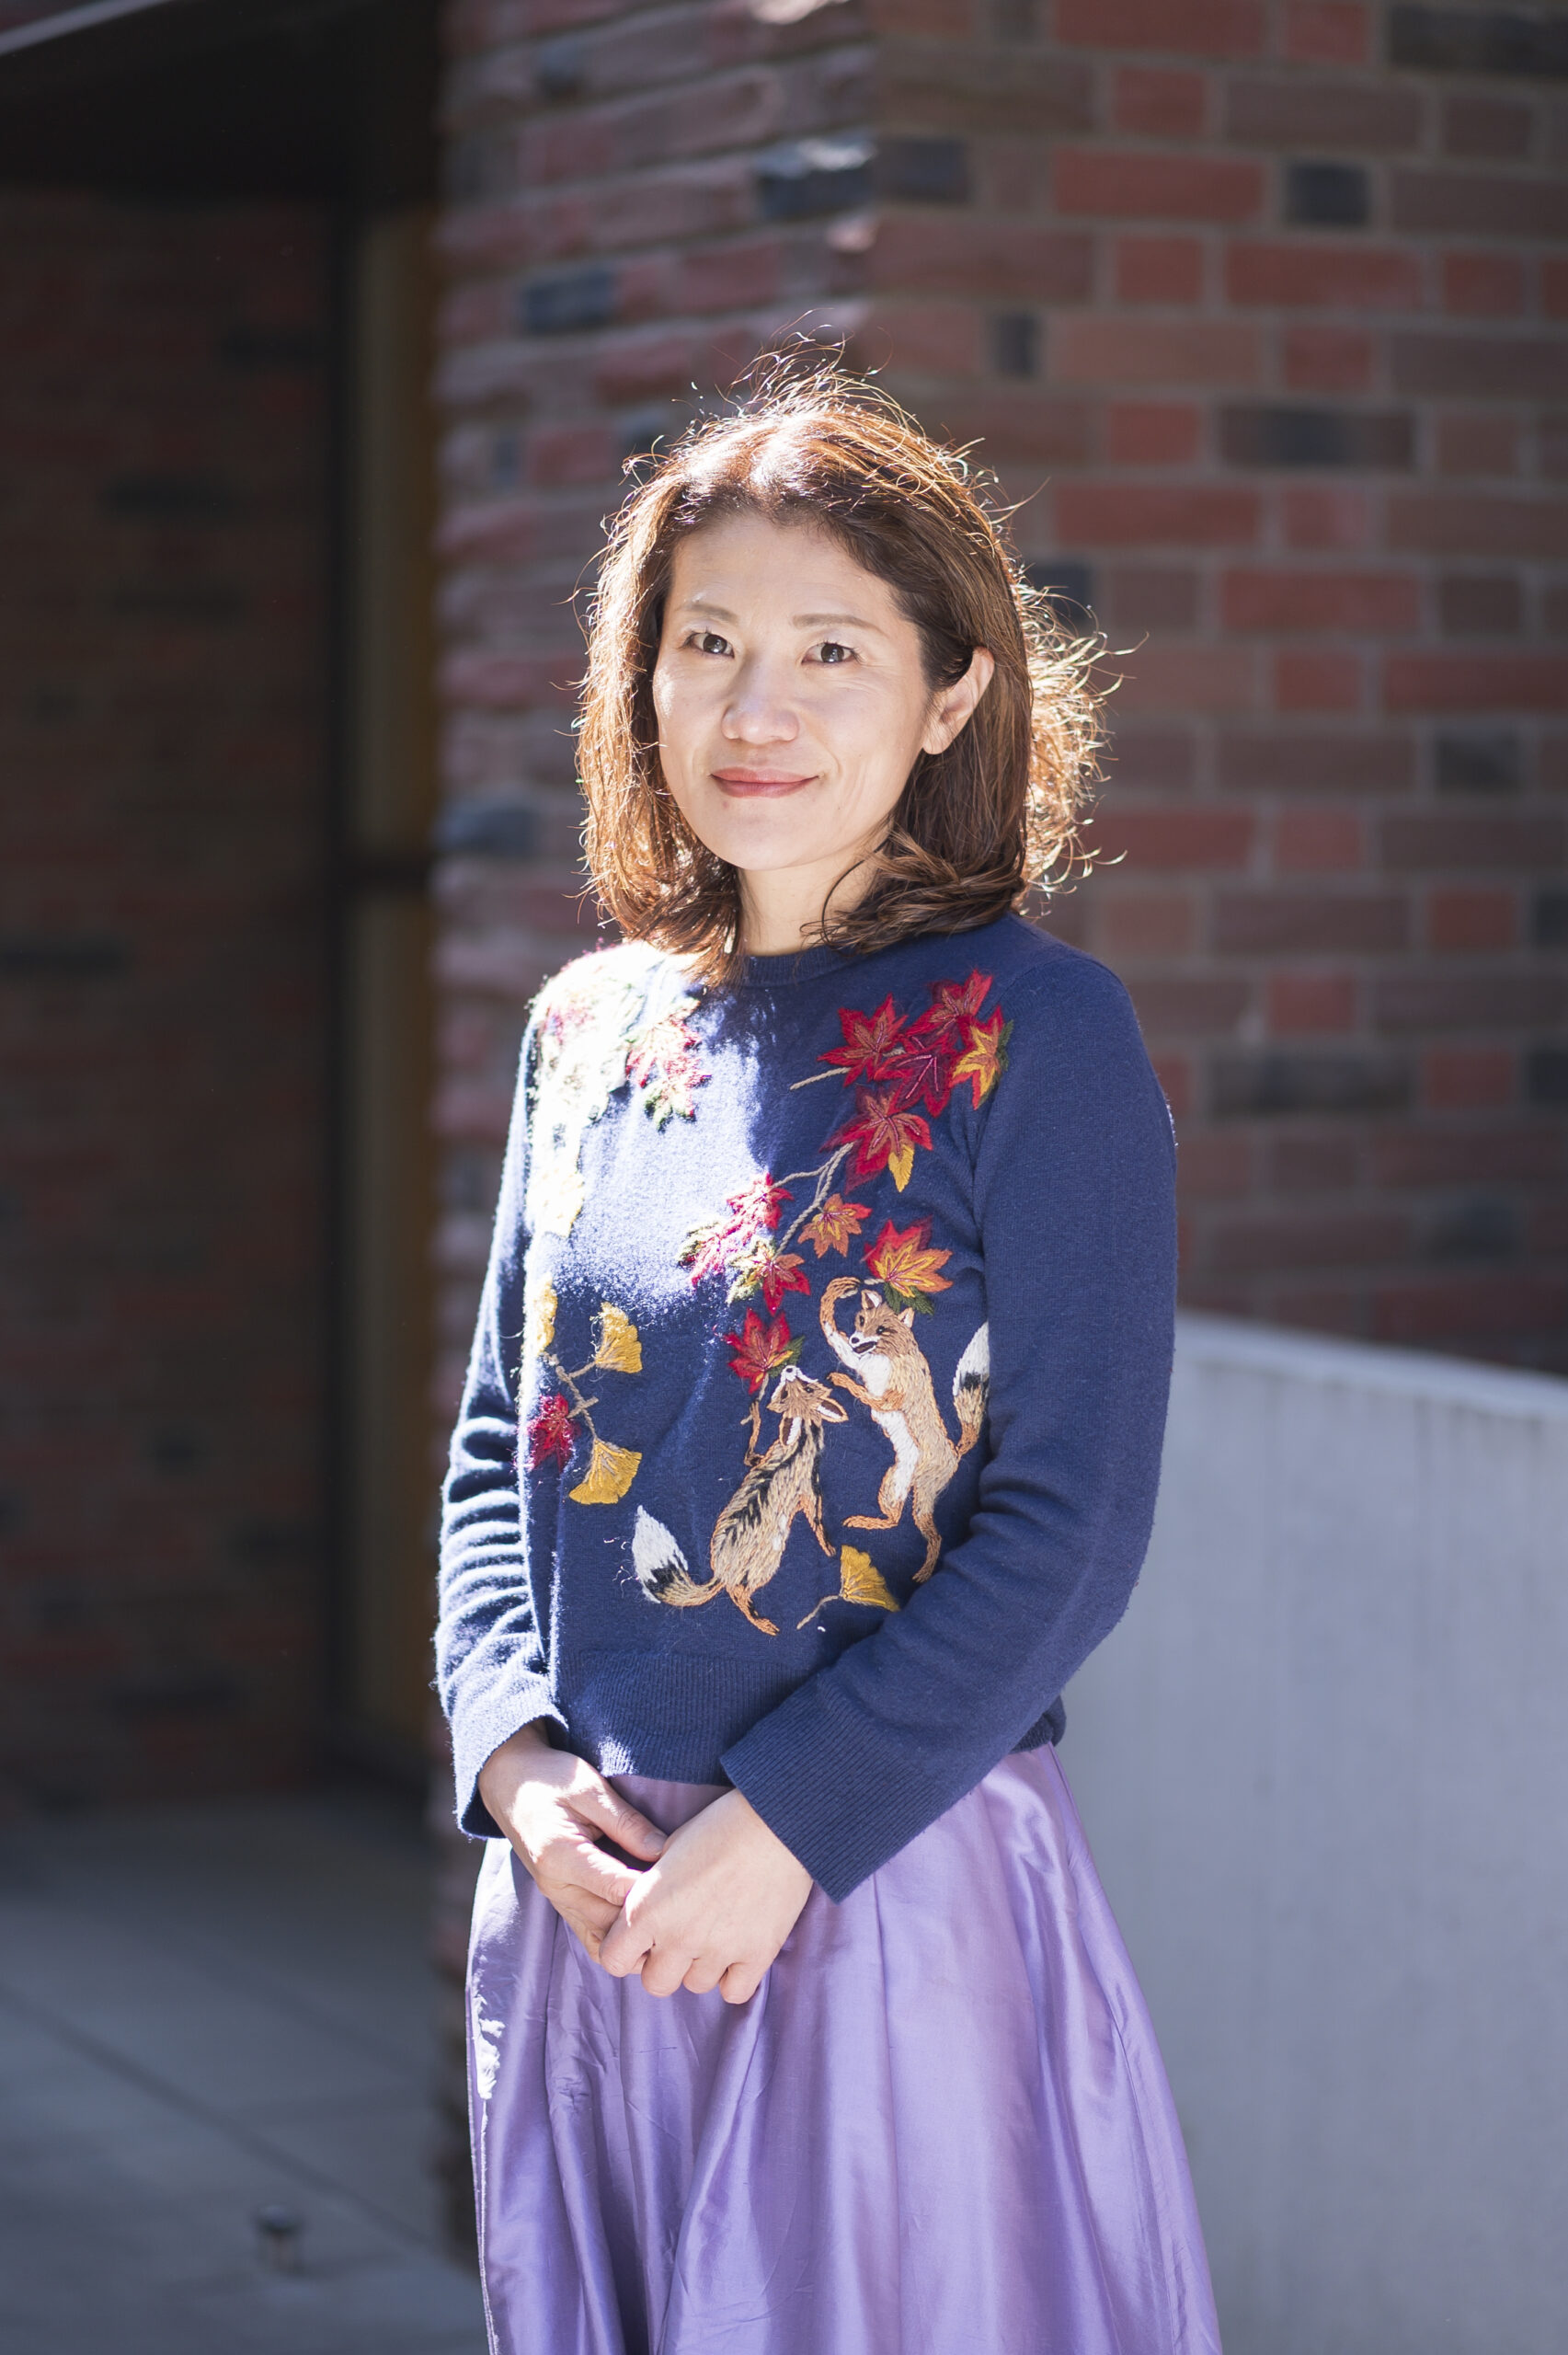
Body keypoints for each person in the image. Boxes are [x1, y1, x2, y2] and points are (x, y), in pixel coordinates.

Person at [437, 363, 1222, 2355]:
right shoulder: (589, 1029)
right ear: (639, 676)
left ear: (952, 693)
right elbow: (498, 1447)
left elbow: (1071, 1521)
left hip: (879, 1885)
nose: (753, 711)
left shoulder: (1037, 1037)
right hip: (594, 1898)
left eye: (829, 651)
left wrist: (785, 1828)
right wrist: (513, 1765)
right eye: (705, 643)